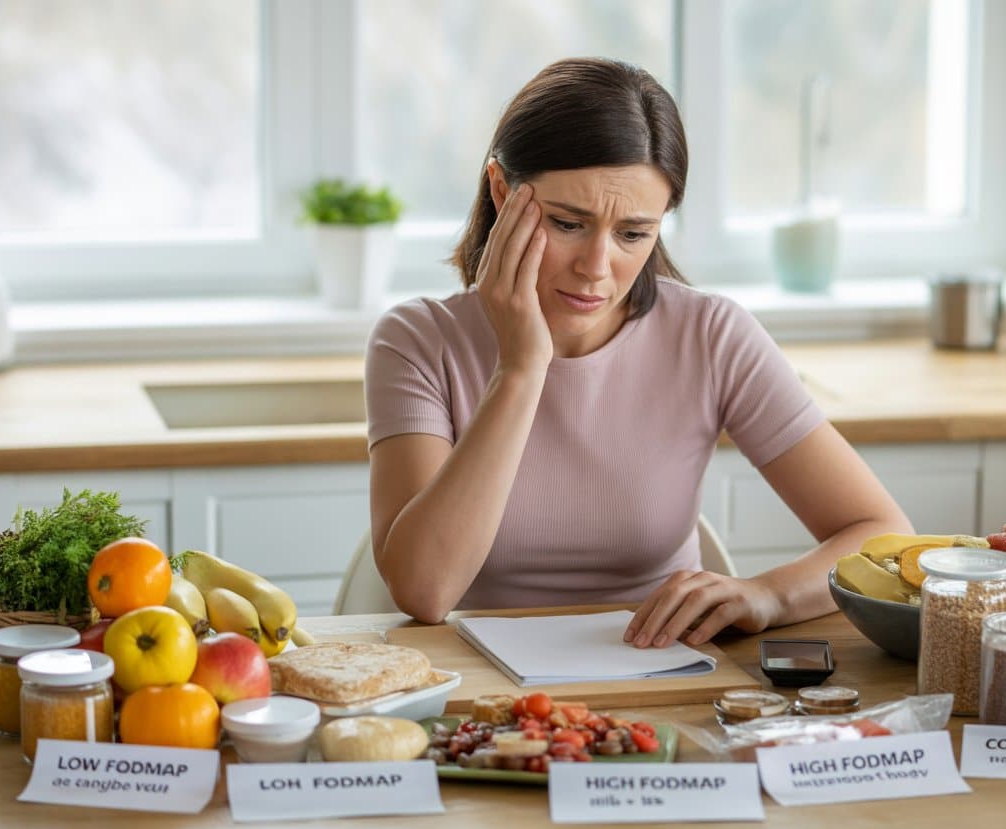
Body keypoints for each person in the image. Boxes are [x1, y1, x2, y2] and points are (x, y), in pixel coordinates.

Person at [365, 57, 912, 648]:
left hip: (663, 677)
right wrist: (522, 369)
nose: (597, 269)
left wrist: (769, 594)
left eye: (633, 234)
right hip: (482, 692)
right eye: (568, 223)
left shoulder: (710, 335)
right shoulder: (417, 341)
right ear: (502, 191)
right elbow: (424, 591)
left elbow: (881, 533)